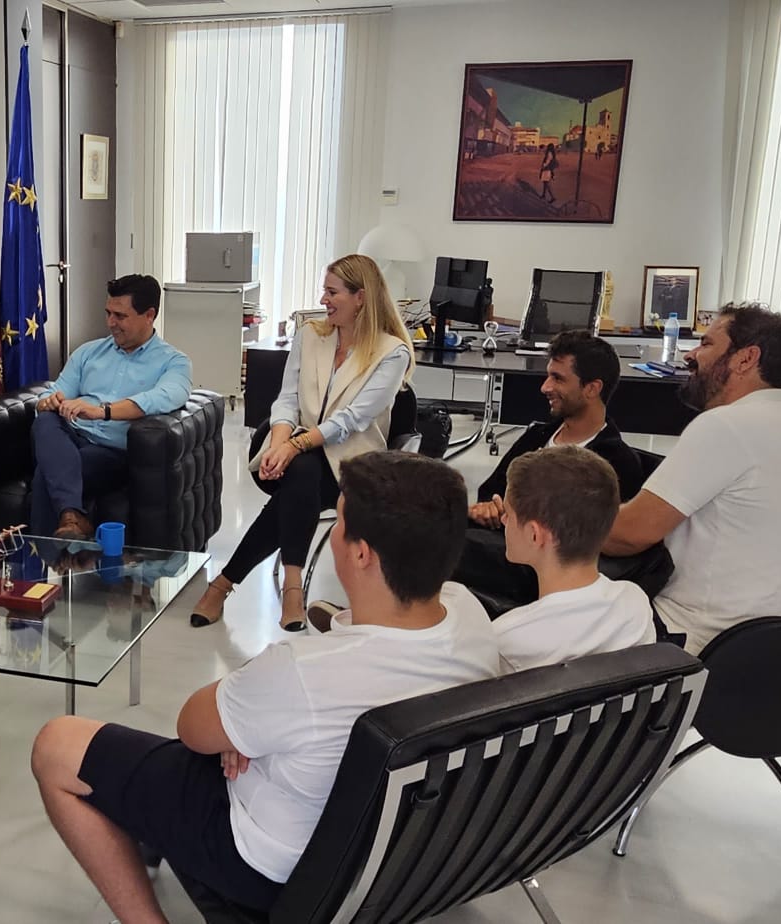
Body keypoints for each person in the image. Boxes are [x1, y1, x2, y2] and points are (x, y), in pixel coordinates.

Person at [30, 452, 498, 921]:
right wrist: (249, 722)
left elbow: (193, 728)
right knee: (223, 739)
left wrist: (242, 724)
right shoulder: (469, 614)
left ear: (361, 554)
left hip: (267, 865)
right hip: (393, 858)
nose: (333, 530)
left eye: (339, 520)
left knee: (56, 745)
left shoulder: (304, 673)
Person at [189, 254, 413, 632]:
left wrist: (294, 447)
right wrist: (280, 444)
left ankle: (224, 585)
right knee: (302, 473)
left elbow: (353, 419)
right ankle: (292, 589)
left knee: (297, 481)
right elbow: (287, 399)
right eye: (324, 291)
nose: (323, 300)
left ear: (361, 297)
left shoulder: (392, 353)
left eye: (332, 292)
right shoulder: (311, 336)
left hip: (353, 468)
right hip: (296, 454)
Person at [602, 305, 781, 652]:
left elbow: (629, 535)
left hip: (694, 639)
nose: (690, 355)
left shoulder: (727, 425)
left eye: (706, 344)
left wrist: (548, 517)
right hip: (775, 645)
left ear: (745, 359)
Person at [452, 331, 649, 605]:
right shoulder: (537, 435)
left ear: (592, 388)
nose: (545, 387)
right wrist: (489, 509)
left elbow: (591, 544)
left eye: (558, 378)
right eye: (548, 376)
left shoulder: (615, 462)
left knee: (434, 547)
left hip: (534, 575)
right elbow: (491, 490)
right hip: (498, 545)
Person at [30, 274, 192, 540]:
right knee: (46, 419)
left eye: (120, 316)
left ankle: (47, 554)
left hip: (112, 453)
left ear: (149, 315)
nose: (110, 323)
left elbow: (165, 396)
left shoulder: (174, 362)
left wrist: (103, 411)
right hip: (70, 437)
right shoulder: (88, 352)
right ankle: (71, 519)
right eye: (108, 313)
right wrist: (49, 401)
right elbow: (55, 390)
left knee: (45, 474)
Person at [491, 446, 656, 673]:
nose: (503, 519)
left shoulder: (505, 640)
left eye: (508, 513)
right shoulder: (635, 603)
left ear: (534, 535)